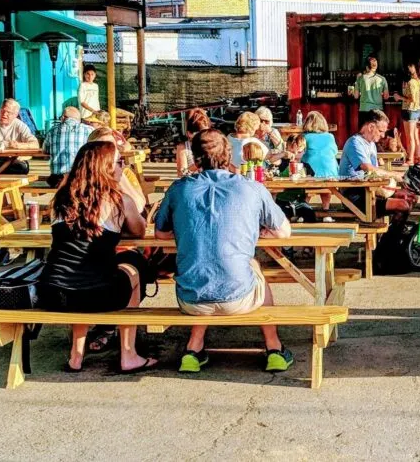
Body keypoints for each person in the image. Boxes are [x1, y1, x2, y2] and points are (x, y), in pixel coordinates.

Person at [154, 129, 293, 373]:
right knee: (253, 265)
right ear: (229, 154)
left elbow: (161, 234)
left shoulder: (178, 189)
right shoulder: (251, 188)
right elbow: (283, 232)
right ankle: (274, 347)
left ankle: (193, 348)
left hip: (190, 299)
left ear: (194, 157)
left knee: (203, 265)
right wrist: (259, 233)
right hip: (238, 297)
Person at [38, 141, 155, 374]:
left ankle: (76, 355)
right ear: (108, 168)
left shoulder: (61, 199)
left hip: (52, 293)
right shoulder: (119, 201)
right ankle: (128, 353)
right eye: (120, 162)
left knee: (78, 276)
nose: (124, 166)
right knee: (132, 270)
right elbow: (139, 231)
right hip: (97, 294)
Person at [0, 98, 39, 175]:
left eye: (8, 112)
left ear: (15, 115)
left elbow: (35, 144)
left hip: (13, 160)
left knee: (22, 168)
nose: (4, 114)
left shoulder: (20, 126)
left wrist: (19, 145)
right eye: (3, 111)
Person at [43, 107, 94, 187]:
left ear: (63, 117)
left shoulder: (52, 131)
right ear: (78, 119)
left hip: (58, 179)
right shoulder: (89, 130)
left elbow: (45, 151)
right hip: (81, 178)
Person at [339, 109, 388, 179]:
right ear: (371, 127)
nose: (383, 135)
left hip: (365, 185)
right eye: (380, 131)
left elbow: (374, 172)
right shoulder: (354, 142)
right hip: (353, 187)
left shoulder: (372, 144)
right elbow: (367, 168)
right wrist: (394, 174)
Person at [301, 111, 339, 178]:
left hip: (313, 176)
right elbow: (335, 152)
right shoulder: (330, 136)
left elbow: (299, 156)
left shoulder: (304, 137)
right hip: (333, 174)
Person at [175, 108, 211, 177]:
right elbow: (181, 174)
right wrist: (197, 165)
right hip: (193, 184)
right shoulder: (183, 148)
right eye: (199, 133)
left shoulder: (212, 145)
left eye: (206, 132)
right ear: (189, 134)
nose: (204, 136)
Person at [400, 63, 420, 166]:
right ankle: (417, 157)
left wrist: (400, 98)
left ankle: (410, 159)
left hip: (409, 110)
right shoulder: (418, 82)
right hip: (416, 110)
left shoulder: (411, 83)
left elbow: (412, 99)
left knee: (409, 136)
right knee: (415, 135)